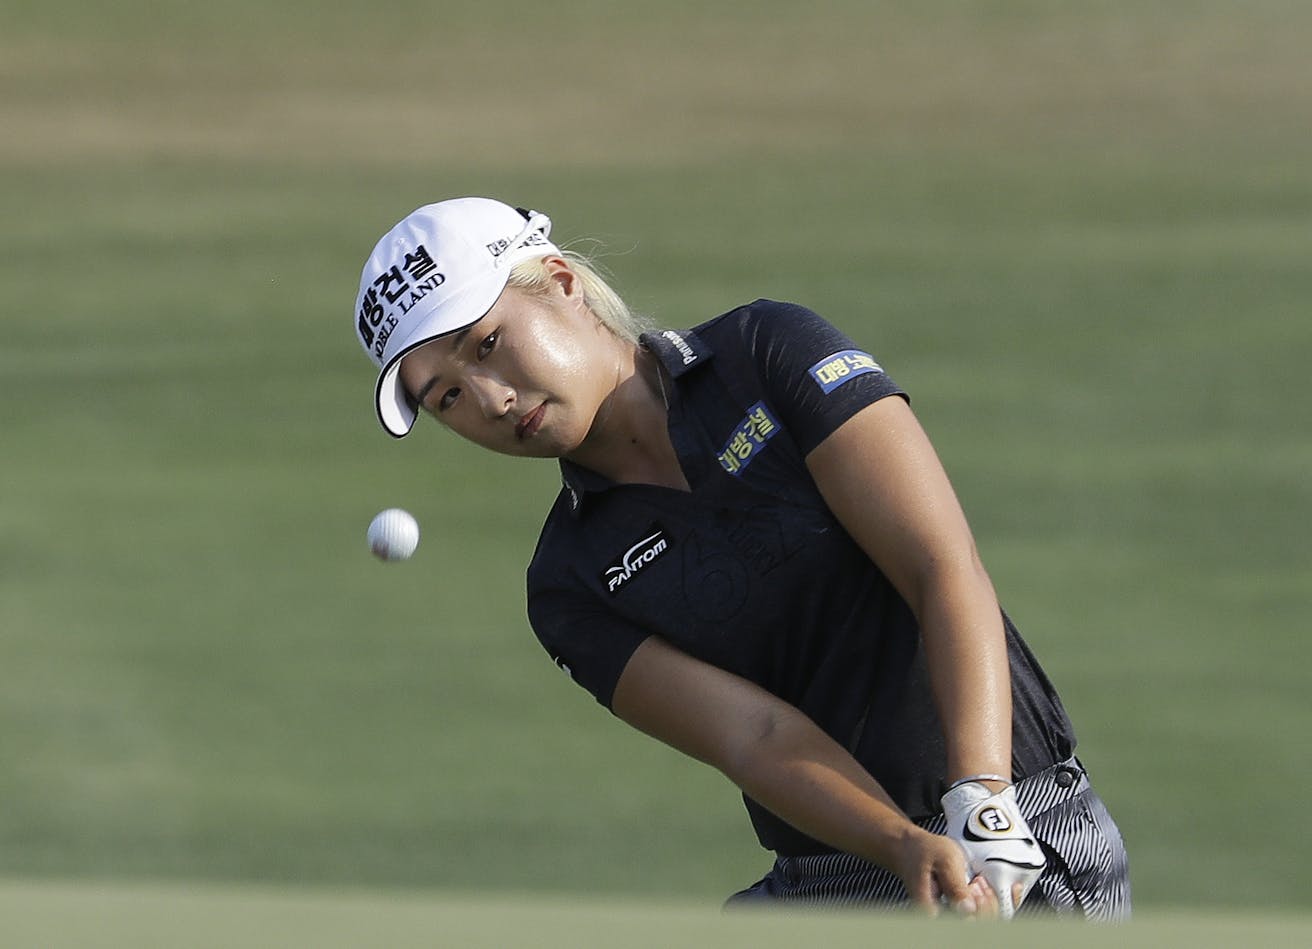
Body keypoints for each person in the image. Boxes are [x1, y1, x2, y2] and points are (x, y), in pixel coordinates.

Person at [351, 197, 1131, 920]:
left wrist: (984, 795)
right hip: (835, 873)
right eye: (447, 397)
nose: (489, 401)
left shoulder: (765, 353)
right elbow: (754, 737)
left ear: (560, 283)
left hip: (1019, 831)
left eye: (487, 345)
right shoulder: (567, 584)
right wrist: (901, 845)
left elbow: (940, 565)